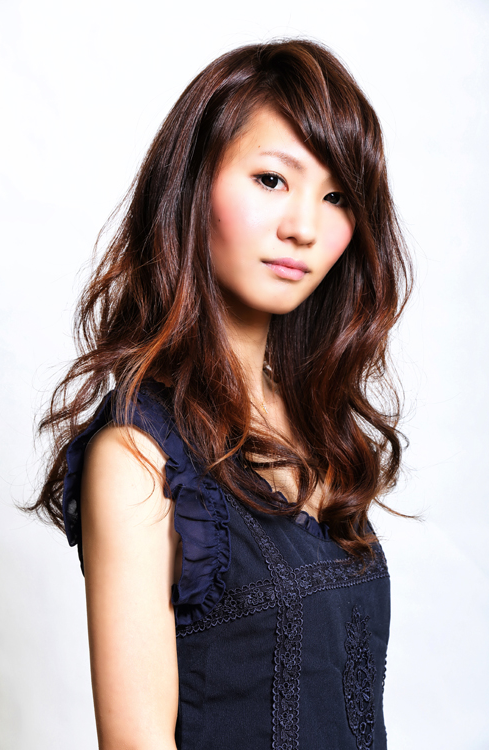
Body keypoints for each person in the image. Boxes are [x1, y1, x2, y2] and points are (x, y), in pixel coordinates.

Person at [29, 39, 411, 750]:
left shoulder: (317, 427)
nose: (304, 226)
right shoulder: (138, 458)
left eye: (336, 197)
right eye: (272, 179)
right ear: (193, 184)